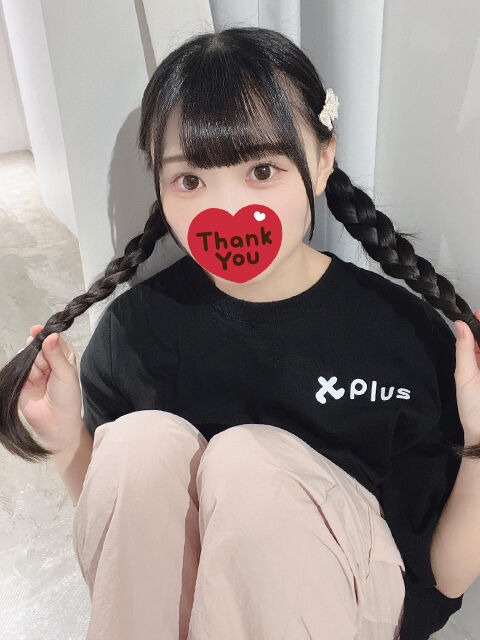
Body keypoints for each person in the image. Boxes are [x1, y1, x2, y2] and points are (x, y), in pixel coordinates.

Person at [2, 26, 480, 640]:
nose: (227, 211)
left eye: (261, 169)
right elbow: (130, 549)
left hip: (349, 608)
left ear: (323, 160)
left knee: (249, 465)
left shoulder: (402, 335)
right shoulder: (132, 333)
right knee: (140, 445)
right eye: (191, 180)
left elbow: (443, 579)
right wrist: (69, 441)